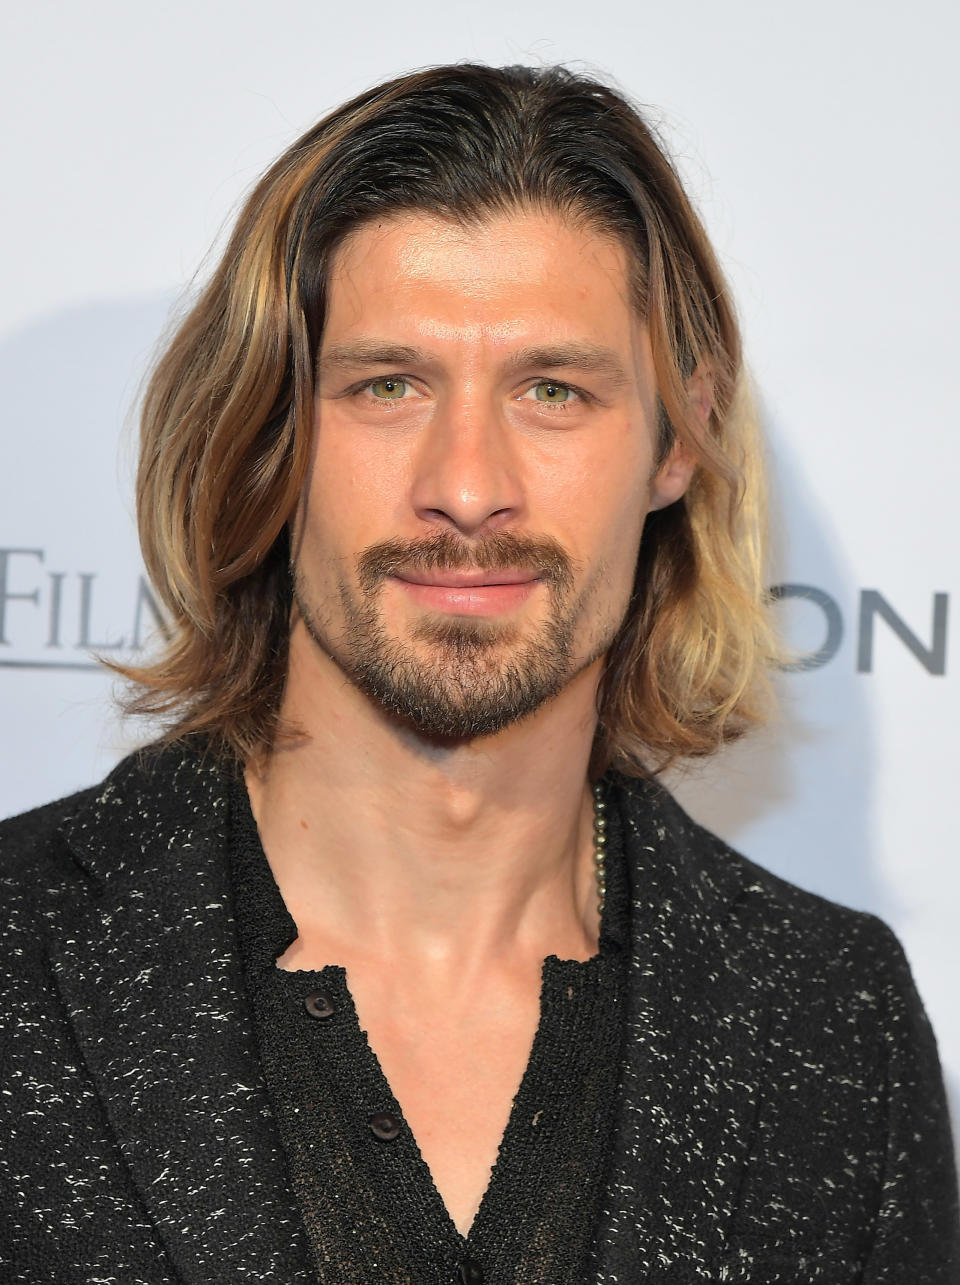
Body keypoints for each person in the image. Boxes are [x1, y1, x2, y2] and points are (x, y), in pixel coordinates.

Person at [0, 62, 956, 1285]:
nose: (464, 484)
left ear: (679, 439)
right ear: (269, 432)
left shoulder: (837, 1022)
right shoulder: (21, 945)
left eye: (553, 391)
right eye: (387, 385)